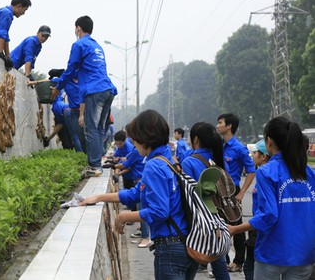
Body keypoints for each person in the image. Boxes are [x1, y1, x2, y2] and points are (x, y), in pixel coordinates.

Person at [80, 110, 199, 279]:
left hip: (170, 247)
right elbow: (136, 193)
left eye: (134, 138)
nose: (133, 142)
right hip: (185, 242)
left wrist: (124, 217)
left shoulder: (154, 166)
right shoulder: (168, 158)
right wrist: (99, 197)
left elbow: (159, 211)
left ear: (144, 137)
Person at [228, 117, 315, 280]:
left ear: (269, 141)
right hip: (303, 253)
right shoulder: (309, 172)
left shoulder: (267, 171)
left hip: (273, 251)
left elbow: (269, 214)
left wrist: (234, 229)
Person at [51, 15, 117, 177]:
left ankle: (94, 166)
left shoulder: (79, 44)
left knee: (91, 129)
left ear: (78, 28)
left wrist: (58, 87)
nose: (75, 32)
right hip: (108, 90)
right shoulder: (97, 46)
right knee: (100, 128)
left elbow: (71, 69)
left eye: (75, 29)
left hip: (95, 91)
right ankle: (97, 163)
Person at [180, 122, 230, 280]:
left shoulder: (189, 162)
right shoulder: (219, 159)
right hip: (218, 216)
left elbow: (187, 194)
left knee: (193, 260)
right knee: (218, 261)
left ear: (195, 139)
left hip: (199, 220)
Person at [216, 113, 255, 272]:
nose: (217, 125)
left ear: (229, 126)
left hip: (233, 191)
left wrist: (241, 193)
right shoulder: (218, 146)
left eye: (220, 122)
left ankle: (238, 261)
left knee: (237, 227)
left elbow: (251, 171)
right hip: (218, 191)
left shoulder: (239, 148)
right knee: (218, 225)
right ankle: (222, 260)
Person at [243, 139, 270, 280]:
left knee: (250, 266)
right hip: (258, 224)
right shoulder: (265, 173)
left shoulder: (265, 175)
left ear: (263, 156)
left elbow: (268, 211)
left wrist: (237, 229)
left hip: (259, 226)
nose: (251, 155)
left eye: (254, 153)